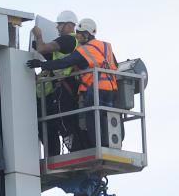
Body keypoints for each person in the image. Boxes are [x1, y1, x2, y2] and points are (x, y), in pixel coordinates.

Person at [27, 17, 118, 149]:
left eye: (79, 33)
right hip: (111, 88)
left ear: (86, 34)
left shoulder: (85, 49)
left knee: (92, 120)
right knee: (105, 118)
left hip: (94, 89)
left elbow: (65, 62)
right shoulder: (106, 46)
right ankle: (106, 145)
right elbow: (114, 65)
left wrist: (42, 64)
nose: (77, 36)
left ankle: (94, 147)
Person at [29, 10, 80, 156]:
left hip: (64, 88)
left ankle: (63, 153)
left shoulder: (67, 40)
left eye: (60, 25)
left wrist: (38, 36)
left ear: (69, 25)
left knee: (57, 124)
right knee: (55, 124)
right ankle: (61, 153)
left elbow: (42, 48)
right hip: (64, 87)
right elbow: (52, 57)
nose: (57, 28)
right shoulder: (71, 43)